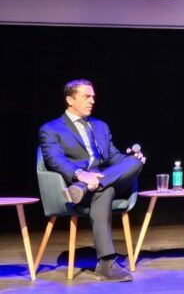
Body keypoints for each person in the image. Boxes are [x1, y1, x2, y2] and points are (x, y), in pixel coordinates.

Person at [39, 79, 145, 282]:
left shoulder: (100, 126)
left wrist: (129, 159)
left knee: (134, 162)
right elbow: (55, 159)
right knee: (105, 191)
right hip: (79, 188)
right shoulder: (51, 129)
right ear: (70, 100)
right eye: (87, 96)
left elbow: (113, 157)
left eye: (93, 97)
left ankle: (84, 187)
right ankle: (106, 263)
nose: (92, 101)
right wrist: (81, 175)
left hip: (92, 185)